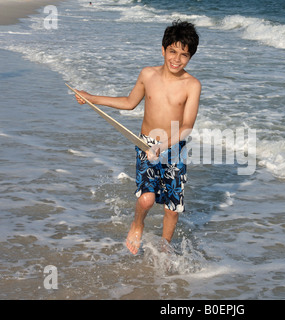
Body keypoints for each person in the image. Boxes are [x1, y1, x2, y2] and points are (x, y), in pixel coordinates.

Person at [73, 20, 201, 255]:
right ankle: (137, 223)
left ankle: (165, 249)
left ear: (190, 57)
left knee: (172, 210)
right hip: (146, 144)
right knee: (146, 200)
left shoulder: (192, 85)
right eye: (172, 51)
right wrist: (91, 97)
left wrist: (165, 145)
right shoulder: (148, 74)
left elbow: (187, 126)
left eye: (184, 54)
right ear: (163, 50)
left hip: (173, 147)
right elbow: (129, 103)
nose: (177, 59)